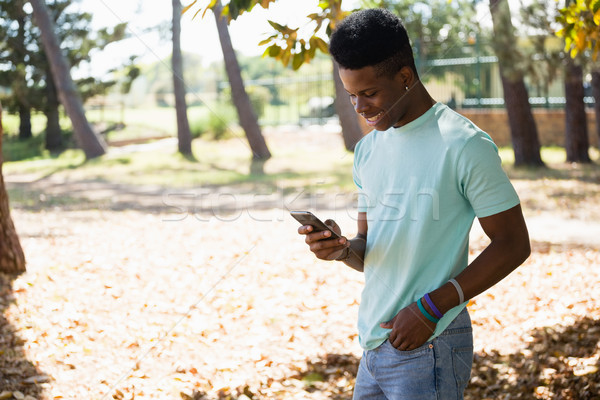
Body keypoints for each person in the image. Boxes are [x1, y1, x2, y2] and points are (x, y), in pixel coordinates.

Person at [297, 8, 531, 400]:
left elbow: (513, 244)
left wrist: (430, 309)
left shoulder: (464, 144)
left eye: (369, 93)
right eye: (351, 95)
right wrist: (340, 250)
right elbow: (368, 251)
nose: (360, 108)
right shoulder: (368, 150)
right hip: (374, 343)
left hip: (431, 342)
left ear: (405, 77)